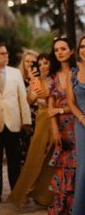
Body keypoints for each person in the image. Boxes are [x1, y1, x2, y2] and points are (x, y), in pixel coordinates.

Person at [0, 43, 32, 197]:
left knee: (15, 161)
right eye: (2, 53)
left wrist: (26, 121)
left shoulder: (15, 73)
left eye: (6, 53)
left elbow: (23, 98)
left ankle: (16, 193)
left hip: (13, 123)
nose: (6, 56)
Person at [9, 53, 54, 207]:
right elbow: (29, 100)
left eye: (45, 63)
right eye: (39, 64)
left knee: (52, 159)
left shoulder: (57, 80)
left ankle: (45, 196)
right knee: (35, 157)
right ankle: (24, 193)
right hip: (42, 120)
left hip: (57, 120)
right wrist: (33, 83)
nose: (42, 66)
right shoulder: (37, 81)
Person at [47, 36, 77, 215]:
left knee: (79, 164)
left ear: (72, 51)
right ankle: (62, 208)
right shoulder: (52, 77)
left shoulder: (79, 73)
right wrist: (55, 129)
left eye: (63, 49)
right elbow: (50, 109)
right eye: (57, 50)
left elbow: (80, 106)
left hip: (79, 124)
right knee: (64, 165)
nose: (60, 52)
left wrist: (61, 111)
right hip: (62, 129)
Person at [66, 34, 85, 210]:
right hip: (81, 125)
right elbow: (71, 102)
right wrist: (81, 118)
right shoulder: (73, 73)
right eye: (82, 47)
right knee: (83, 169)